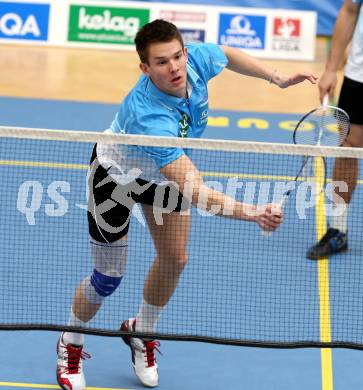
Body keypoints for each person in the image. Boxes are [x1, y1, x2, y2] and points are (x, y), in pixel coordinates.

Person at [56, 19, 317, 390]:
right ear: (145, 68)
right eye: (162, 62)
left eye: (177, 56)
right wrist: (252, 212)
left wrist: (276, 77)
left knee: (176, 259)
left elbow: (225, 53)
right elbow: (196, 190)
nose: (174, 67)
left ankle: (140, 330)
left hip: (163, 177)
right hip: (117, 180)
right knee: (106, 280)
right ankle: (70, 341)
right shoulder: (149, 115)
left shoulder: (194, 61)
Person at [307, 0, 363, 260]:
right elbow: (350, 10)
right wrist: (330, 69)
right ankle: (338, 229)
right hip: (359, 75)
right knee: (348, 148)